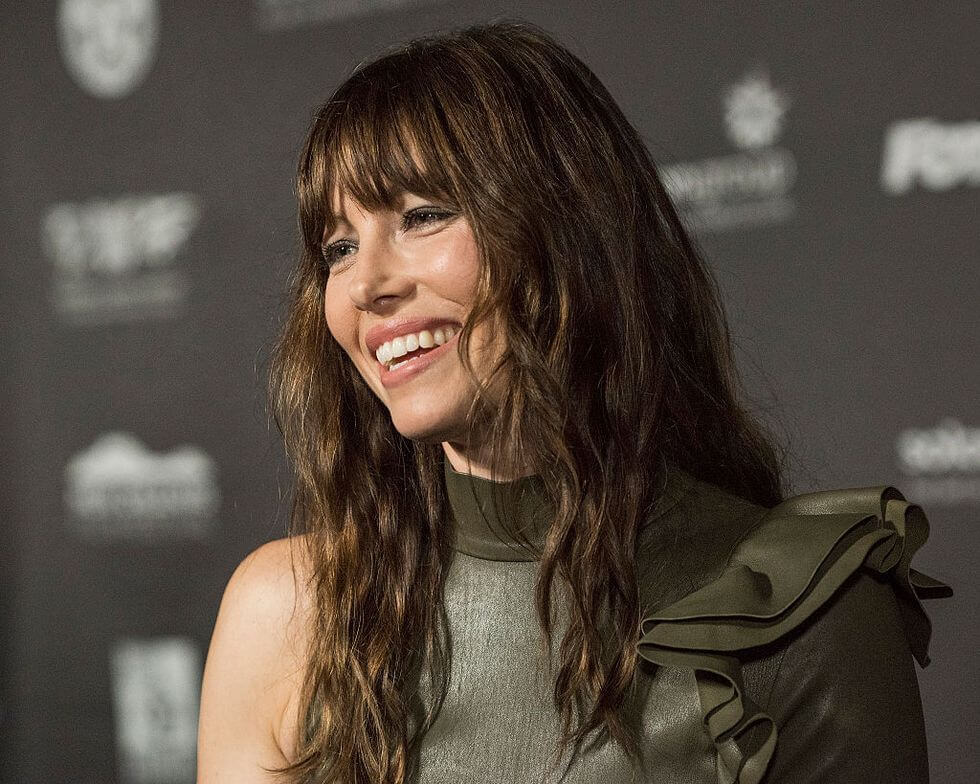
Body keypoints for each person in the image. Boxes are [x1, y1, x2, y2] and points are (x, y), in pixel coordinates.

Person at [196, 19, 953, 784]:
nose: (366, 284)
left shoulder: (804, 609)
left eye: (423, 216)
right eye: (338, 248)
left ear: (568, 227)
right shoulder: (286, 616)